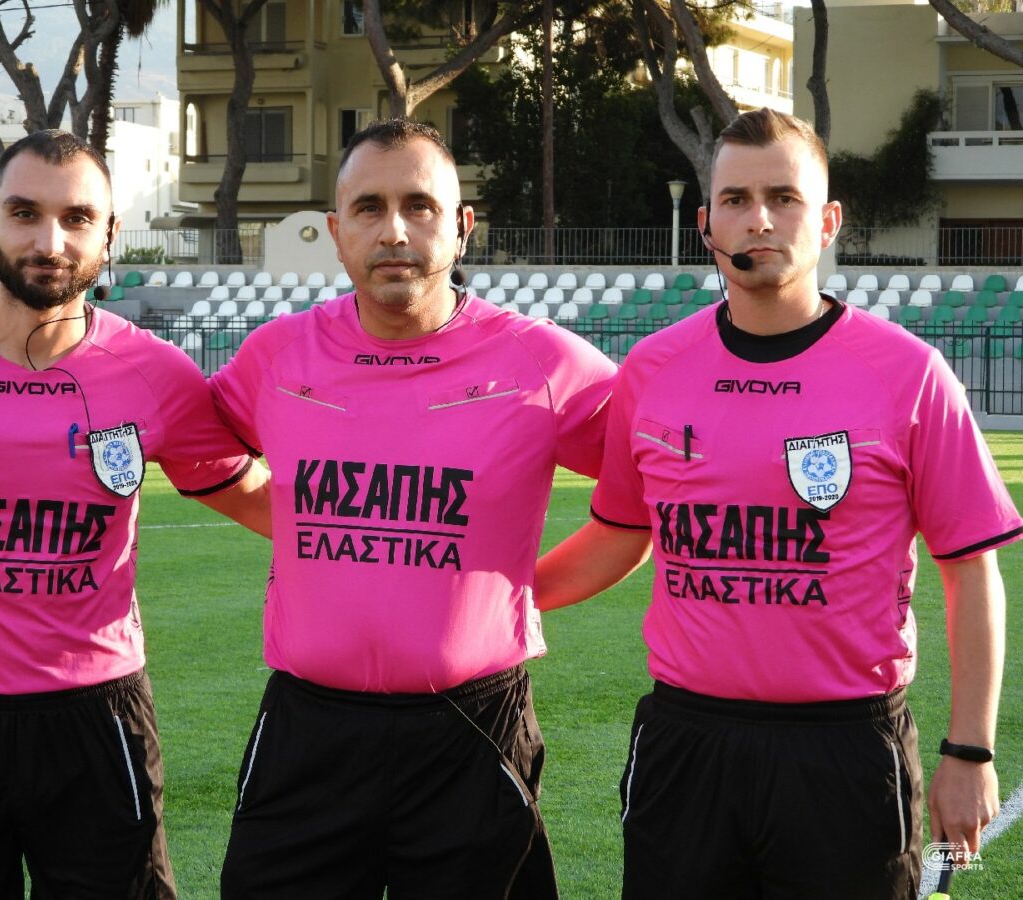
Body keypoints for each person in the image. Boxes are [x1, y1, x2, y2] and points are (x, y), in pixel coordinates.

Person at [535, 107, 1020, 899]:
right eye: (736, 199)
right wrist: (504, 598)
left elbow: (971, 571)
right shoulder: (653, 370)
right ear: (706, 225)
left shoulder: (910, 375)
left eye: (784, 198)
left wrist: (970, 751)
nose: (759, 219)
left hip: (846, 748)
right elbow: (620, 534)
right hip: (687, 743)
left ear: (826, 221)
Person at [0, 129, 270, 899]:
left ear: (109, 233)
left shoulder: (158, 374)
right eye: (25, 213)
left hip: (98, 720)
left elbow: (266, 504)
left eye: (76, 217)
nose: (49, 241)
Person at [207, 118, 617, 898]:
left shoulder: (542, 362)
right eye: (369, 208)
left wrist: (527, 589)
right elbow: (196, 448)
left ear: (462, 227)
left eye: (420, 206)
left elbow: (653, 489)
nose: (394, 230)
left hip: (473, 730)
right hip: (308, 731)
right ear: (337, 233)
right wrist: (290, 521)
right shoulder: (277, 355)